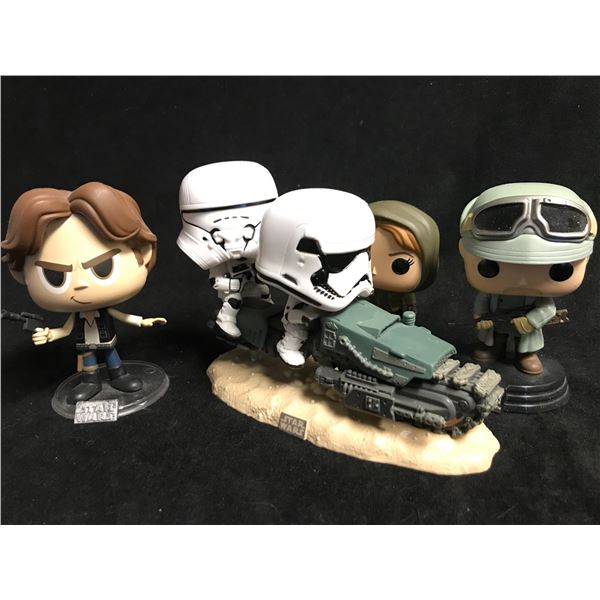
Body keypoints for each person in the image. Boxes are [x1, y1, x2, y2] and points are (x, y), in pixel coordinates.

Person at [2, 182, 166, 403]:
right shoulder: (77, 316)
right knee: (88, 361)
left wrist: (142, 321)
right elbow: (66, 329)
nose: (79, 284)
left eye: (102, 268)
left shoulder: (103, 312)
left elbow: (121, 316)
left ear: (143, 252)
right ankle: (90, 382)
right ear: (21, 274)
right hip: (85, 346)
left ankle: (119, 375)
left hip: (106, 341)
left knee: (111, 354)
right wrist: (50, 334)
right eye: (56, 276)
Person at [459, 182, 596, 375]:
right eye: (491, 267)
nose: (521, 282)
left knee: (525, 342)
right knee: (495, 336)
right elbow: (483, 300)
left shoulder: (537, 298)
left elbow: (548, 308)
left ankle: (526, 355)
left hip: (524, 325)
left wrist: (531, 321)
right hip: (497, 320)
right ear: (464, 252)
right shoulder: (490, 293)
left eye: (559, 270)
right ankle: (493, 347)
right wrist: (481, 317)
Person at [369, 200, 439, 316]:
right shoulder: (367, 287)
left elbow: (409, 295)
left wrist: (411, 305)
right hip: (372, 309)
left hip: (394, 310)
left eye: (400, 265)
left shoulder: (399, 291)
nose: (373, 271)